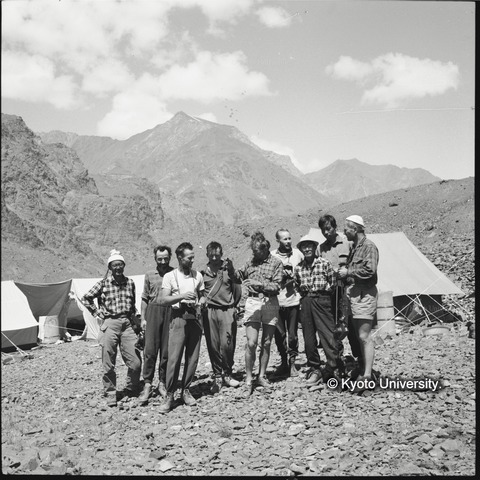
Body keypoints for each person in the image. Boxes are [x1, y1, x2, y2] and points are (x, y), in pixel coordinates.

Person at [82, 249, 141, 407]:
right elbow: (86, 298)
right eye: (114, 265)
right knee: (108, 361)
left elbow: (133, 304)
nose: (118, 268)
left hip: (127, 323)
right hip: (110, 323)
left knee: (135, 361)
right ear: (110, 267)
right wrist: (96, 312)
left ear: (124, 265)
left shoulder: (130, 283)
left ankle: (131, 388)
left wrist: (136, 322)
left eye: (120, 264)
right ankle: (110, 393)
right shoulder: (103, 283)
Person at [232, 231, 283, 394]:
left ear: (265, 248)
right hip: (253, 302)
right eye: (253, 251)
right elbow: (238, 277)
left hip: (270, 302)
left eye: (257, 251)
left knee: (266, 342)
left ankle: (261, 375)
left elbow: (277, 286)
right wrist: (230, 269)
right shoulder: (250, 262)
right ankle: (248, 378)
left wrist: (260, 285)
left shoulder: (276, 263)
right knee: (251, 343)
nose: (254, 254)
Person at [158, 242, 205, 413]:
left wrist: (201, 302)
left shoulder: (197, 275)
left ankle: (186, 390)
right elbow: (163, 299)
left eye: (193, 257)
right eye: (189, 258)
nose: (192, 260)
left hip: (194, 318)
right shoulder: (170, 276)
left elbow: (203, 295)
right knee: (174, 358)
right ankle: (170, 394)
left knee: (193, 357)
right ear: (179, 258)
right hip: (178, 318)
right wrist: (182, 296)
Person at [294, 234, 343, 386]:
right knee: (308, 338)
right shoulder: (298, 268)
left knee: (328, 335)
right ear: (301, 249)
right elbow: (297, 286)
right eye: (304, 246)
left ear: (315, 247)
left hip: (323, 299)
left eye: (309, 246)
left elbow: (333, 284)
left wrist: (323, 296)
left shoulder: (324, 263)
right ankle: (315, 368)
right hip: (306, 301)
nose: (307, 249)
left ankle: (334, 367)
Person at [338, 215, 379, 387]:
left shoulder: (369, 246)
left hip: (364, 294)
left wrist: (348, 272)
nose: (344, 232)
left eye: (346, 229)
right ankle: (363, 369)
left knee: (364, 336)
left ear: (355, 229)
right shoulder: (355, 247)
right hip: (354, 294)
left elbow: (370, 270)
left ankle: (367, 375)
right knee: (358, 335)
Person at [201, 241, 241, 394]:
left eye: (217, 255)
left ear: (221, 254)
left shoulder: (228, 270)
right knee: (213, 344)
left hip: (227, 310)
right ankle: (218, 375)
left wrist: (233, 306)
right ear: (207, 255)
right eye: (211, 255)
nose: (214, 258)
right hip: (210, 311)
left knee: (227, 344)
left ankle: (228, 373)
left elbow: (237, 290)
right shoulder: (203, 273)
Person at [138, 245, 174, 406]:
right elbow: (144, 297)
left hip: (170, 312)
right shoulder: (149, 275)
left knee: (166, 350)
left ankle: (162, 382)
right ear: (155, 259)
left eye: (166, 258)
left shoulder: (175, 273)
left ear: (170, 257)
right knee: (150, 350)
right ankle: (147, 384)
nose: (163, 262)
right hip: (153, 311)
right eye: (160, 259)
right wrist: (143, 319)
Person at [318, 214, 353, 360]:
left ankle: (359, 358)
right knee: (332, 324)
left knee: (348, 322)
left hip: (346, 289)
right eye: (323, 230)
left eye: (328, 228)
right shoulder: (320, 248)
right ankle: (337, 357)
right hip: (329, 291)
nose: (326, 232)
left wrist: (346, 273)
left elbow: (353, 265)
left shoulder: (347, 243)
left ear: (335, 227)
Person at [270, 229, 304, 378]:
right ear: (278, 241)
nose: (288, 241)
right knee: (279, 334)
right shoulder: (272, 255)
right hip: (277, 301)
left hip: (293, 301)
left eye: (289, 238)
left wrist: (295, 279)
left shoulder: (298, 254)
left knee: (293, 335)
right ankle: (283, 362)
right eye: (285, 239)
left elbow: (305, 271)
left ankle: (292, 362)